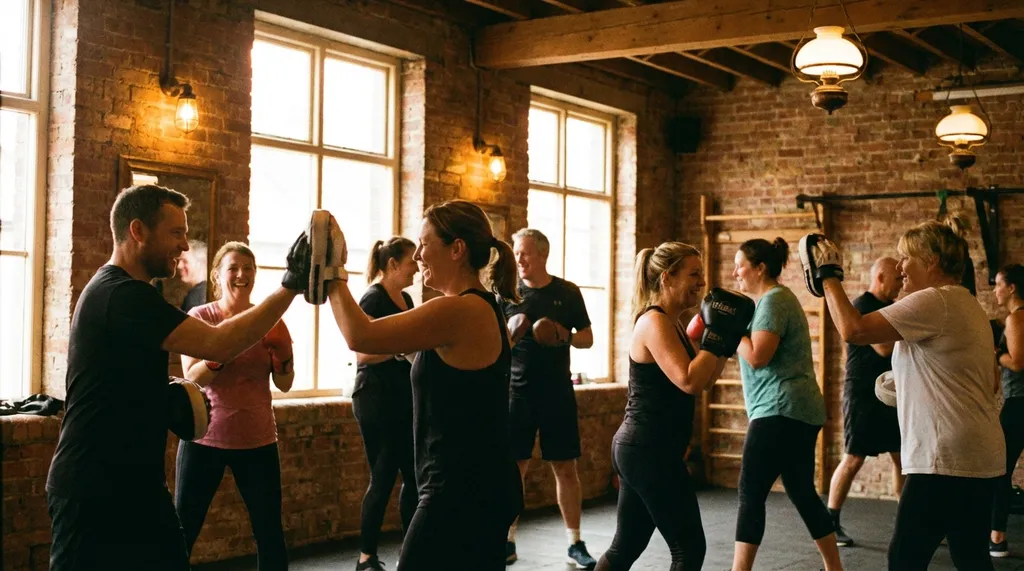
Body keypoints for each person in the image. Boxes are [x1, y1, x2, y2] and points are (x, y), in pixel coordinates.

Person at [45, 185, 309, 571]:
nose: (185, 246)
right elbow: (218, 345)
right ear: (138, 231)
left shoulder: (131, 294)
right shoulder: (122, 295)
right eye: (175, 233)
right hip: (94, 486)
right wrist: (291, 285)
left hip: (137, 484)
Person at [323, 200, 523, 571]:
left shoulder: (457, 310)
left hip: (461, 490)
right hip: (477, 484)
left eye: (425, 243)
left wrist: (332, 272)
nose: (418, 255)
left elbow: (359, 335)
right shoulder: (477, 306)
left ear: (457, 248)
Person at [801, 216, 1004, 571]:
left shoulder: (933, 301)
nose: (900, 267)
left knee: (904, 561)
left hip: (944, 459)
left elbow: (854, 329)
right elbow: (983, 381)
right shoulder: (967, 304)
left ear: (933, 262)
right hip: (978, 455)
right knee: (970, 557)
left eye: (906, 257)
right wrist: (904, 385)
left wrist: (828, 276)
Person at [595, 242, 744, 570]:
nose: (701, 282)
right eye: (693, 274)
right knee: (689, 548)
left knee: (626, 546)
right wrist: (715, 338)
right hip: (647, 449)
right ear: (667, 278)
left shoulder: (675, 323)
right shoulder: (654, 322)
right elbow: (688, 380)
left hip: (648, 449)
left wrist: (723, 344)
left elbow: (704, 382)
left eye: (701, 275)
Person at [175, 241, 294, 571]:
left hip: (257, 439)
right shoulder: (201, 317)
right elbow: (193, 376)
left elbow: (284, 383)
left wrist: (283, 355)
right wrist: (225, 346)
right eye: (233, 268)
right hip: (204, 438)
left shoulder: (268, 320)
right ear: (217, 275)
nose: (242, 275)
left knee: (269, 531)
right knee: (183, 528)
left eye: (248, 268)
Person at [730, 238, 843, 571]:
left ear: (760, 267)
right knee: (802, 492)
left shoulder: (774, 301)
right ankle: (835, 568)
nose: (735, 271)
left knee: (750, 493)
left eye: (740, 265)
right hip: (796, 410)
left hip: (779, 410)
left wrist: (729, 329)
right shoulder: (771, 301)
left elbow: (757, 356)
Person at [501, 228, 596, 569]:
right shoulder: (508, 294)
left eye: (524, 253)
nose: (519, 259)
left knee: (565, 468)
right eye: (516, 253)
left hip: (557, 392)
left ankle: (574, 542)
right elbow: (493, 348)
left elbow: (587, 337)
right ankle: (506, 539)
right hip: (517, 393)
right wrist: (511, 333)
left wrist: (563, 334)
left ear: (542, 254)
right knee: (515, 469)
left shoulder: (566, 293)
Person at [827, 257, 906, 546]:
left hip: (888, 395)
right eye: (897, 279)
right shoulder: (862, 306)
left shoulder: (889, 309)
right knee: (853, 458)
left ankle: (907, 519)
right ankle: (831, 521)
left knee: (902, 459)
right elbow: (884, 348)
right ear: (882, 277)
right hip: (861, 395)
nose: (901, 284)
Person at [351, 237, 419, 571]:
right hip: (375, 398)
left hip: (402, 396)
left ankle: (412, 550)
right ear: (392, 264)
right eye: (411, 263)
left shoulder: (405, 298)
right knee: (382, 475)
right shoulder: (373, 298)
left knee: (413, 475)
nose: (417, 269)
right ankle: (366, 557)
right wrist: (398, 349)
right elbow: (362, 352)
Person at [990, 263, 1024, 558]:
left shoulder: (1016, 319)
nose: (995, 290)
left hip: (1019, 404)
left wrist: (996, 352)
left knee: (999, 468)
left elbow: (1017, 362)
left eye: (998, 284)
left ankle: (997, 537)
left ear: (1012, 288)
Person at [178, 239, 208, 313]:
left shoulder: (196, 297)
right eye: (179, 261)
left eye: (185, 261)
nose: (179, 266)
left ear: (202, 262)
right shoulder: (206, 292)